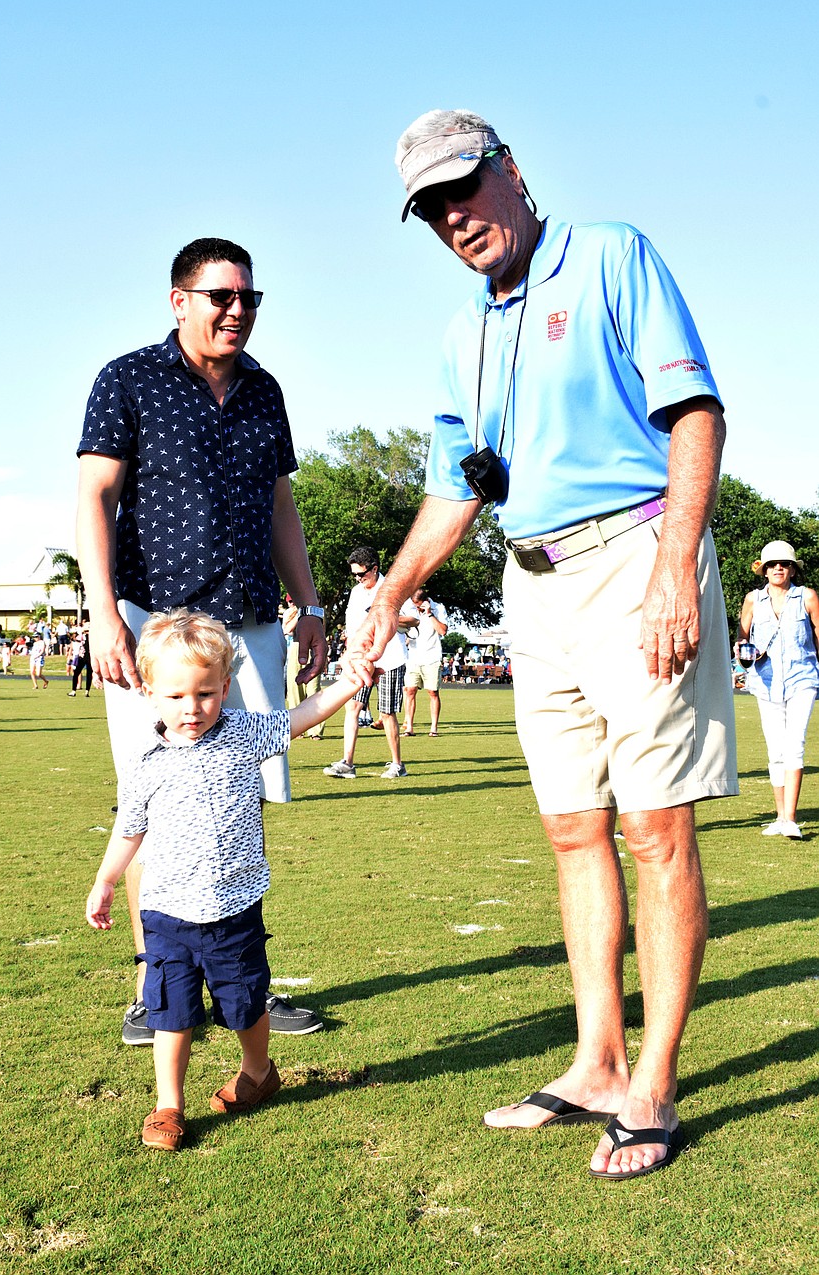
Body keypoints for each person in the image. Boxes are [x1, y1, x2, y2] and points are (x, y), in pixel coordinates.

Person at [348, 108, 738, 1181]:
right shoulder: (461, 335)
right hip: (533, 585)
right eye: (430, 209)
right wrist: (393, 591)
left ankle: (652, 1084)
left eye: (462, 189)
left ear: (510, 169)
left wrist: (675, 569)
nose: (453, 218)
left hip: (635, 556)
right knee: (573, 829)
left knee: (655, 829)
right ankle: (596, 1064)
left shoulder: (610, 255)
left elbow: (695, 414)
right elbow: (454, 489)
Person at [76, 236, 327, 1045]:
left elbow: (281, 504)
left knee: (236, 801)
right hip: (155, 625)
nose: (237, 310)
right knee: (156, 803)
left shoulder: (264, 390)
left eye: (249, 297)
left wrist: (310, 603)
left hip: (249, 624)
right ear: (179, 300)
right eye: (222, 296)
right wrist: (102, 610)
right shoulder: (128, 378)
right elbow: (94, 495)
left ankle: (243, 986)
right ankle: (154, 991)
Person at [85, 609, 362, 1151]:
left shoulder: (243, 733)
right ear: (149, 693)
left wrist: (348, 684)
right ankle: (169, 1105)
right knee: (171, 1011)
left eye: (206, 693)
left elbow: (300, 717)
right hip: (166, 913)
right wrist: (106, 880)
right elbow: (129, 829)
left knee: (245, 1003)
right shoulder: (144, 761)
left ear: (225, 688)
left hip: (234, 908)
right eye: (176, 696)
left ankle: (258, 1071)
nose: (192, 708)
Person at [736, 540, 819, 838]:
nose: (778, 568)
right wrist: (743, 654)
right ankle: (780, 816)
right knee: (775, 750)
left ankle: (791, 819)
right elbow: (742, 636)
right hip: (765, 681)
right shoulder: (752, 600)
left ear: (793, 570)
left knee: (795, 745)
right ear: (765, 570)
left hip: (802, 679)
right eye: (772, 564)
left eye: (784, 564)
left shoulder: (807, 597)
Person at [323, 547, 410, 780]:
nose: (358, 579)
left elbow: (414, 619)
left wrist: (387, 615)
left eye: (361, 574)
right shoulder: (355, 592)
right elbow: (352, 627)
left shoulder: (393, 589)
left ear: (374, 569)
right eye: (354, 575)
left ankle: (397, 765)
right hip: (361, 660)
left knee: (387, 712)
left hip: (390, 658)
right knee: (352, 707)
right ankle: (347, 763)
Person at [401, 588, 449, 736]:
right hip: (413, 657)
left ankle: (433, 728)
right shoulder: (408, 608)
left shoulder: (439, 608)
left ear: (426, 601)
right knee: (410, 690)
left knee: (433, 692)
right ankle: (409, 727)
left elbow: (443, 631)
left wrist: (429, 614)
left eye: (419, 605)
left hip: (432, 657)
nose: (417, 608)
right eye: (415, 605)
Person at [282, 596, 324, 740]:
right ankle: (297, 728)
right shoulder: (289, 613)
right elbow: (287, 629)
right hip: (295, 648)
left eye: (293, 600)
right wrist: (301, 613)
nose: (292, 603)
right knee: (295, 690)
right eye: (290, 601)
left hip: (313, 649)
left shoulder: (318, 612)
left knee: (313, 690)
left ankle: (316, 731)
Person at [68, 628, 93, 697]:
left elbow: (76, 639)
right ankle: (87, 691)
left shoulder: (83, 636)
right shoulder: (92, 637)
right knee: (88, 674)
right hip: (88, 657)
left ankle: (74, 691)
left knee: (77, 673)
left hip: (83, 656)